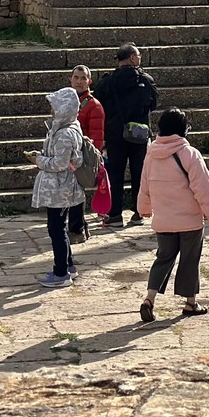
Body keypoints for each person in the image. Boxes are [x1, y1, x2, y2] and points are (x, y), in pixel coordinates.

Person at [136, 108, 209, 322]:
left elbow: (144, 185)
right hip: (189, 220)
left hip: (163, 219)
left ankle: (149, 299)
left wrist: (144, 208)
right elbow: (203, 188)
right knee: (190, 260)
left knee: (163, 258)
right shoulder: (190, 154)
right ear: (184, 129)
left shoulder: (151, 154)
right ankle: (190, 302)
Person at [26, 87, 85, 288]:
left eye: (54, 107)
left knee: (56, 229)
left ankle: (61, 272)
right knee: (59, 228)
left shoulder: (65, 133)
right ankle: (68, 266)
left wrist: (38, 160)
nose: (51, 110)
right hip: (61, 188)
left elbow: (59, 164)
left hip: (60, 189)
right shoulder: (66, 127)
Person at [94, 43, 158, 228]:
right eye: (138, 55)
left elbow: (99, 105)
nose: (140, 58)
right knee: (139, 173)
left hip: (115, 135)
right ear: (132, 58)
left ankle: (115, 215)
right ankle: (138, 213)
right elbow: (153, 104)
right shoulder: (146, 80)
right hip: (139, 134)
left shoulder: (107, 81)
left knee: (115, 174)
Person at [67, 64, 104, 244]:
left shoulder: (93, 105)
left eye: (83, 78)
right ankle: (78, 226)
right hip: (66, 154)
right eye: (76, 77)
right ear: (70, 79)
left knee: (76, 192)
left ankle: (77, 229)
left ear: (89, 81)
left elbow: (97, 137)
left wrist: (90, 160)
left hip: (81, 157)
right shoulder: (66, 100)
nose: (79, 81)